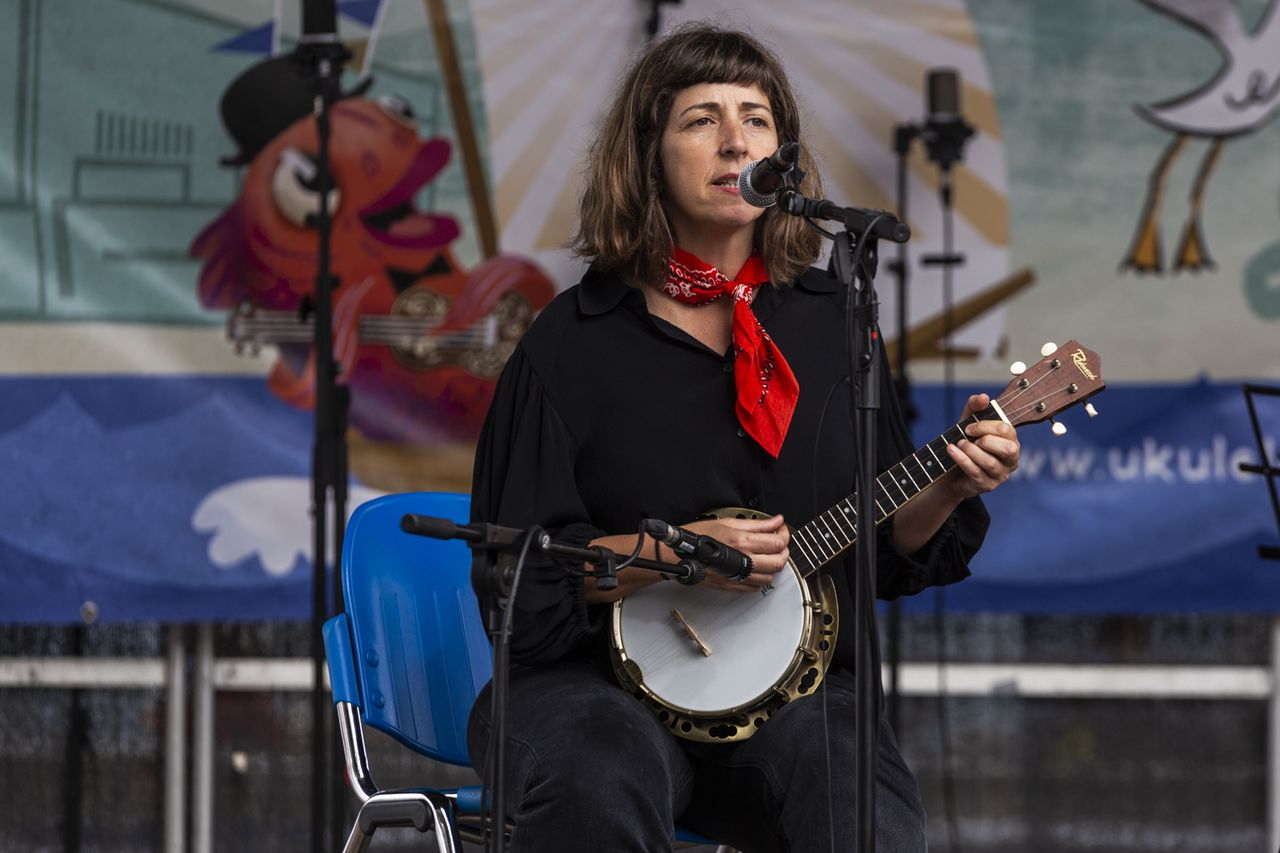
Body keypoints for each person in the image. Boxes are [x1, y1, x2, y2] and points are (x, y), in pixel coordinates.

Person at [467, 24, 1019, 853]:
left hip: (788, 696)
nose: (735, 141)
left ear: (782, 156)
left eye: (756, 119)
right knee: (597, 774)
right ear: (646, 154)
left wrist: (949, 482)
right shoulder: (571, 344)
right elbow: (519, 575)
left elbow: (885, 554)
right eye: (701, 120)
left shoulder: (836, 326)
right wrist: (674, 552)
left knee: (855, 788)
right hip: (593, 689)